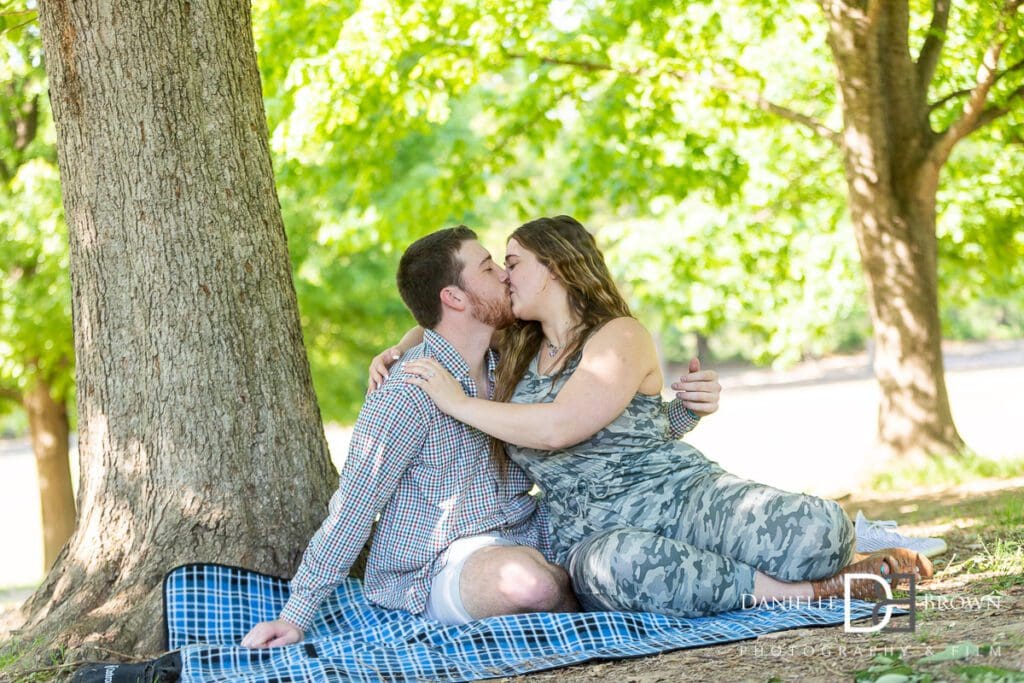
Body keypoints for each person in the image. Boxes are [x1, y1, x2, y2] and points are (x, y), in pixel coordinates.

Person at [395, 215, 933, 618]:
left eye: (511, 264)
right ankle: (819, 592)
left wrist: (459, 403)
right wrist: (402, 344)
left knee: (820, 531)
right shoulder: (512, 347)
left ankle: (842, 559)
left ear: (554, 268)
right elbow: (452, 315)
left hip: (680, 497)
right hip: (595, 537)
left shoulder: (618, 337)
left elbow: (561, 426)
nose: (504, 278)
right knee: (626, 568)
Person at [241, 226, 583, 648]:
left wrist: (677, 415)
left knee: (614, 542)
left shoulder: (511, 362)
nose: (504, 275)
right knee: (531, 585)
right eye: (488, 268)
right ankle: (566, 594)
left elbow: (586, 425)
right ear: (454, 298)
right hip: (439, 562)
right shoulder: (406, 392)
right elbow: (353, 508)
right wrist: (295, 616)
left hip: (529, 528)